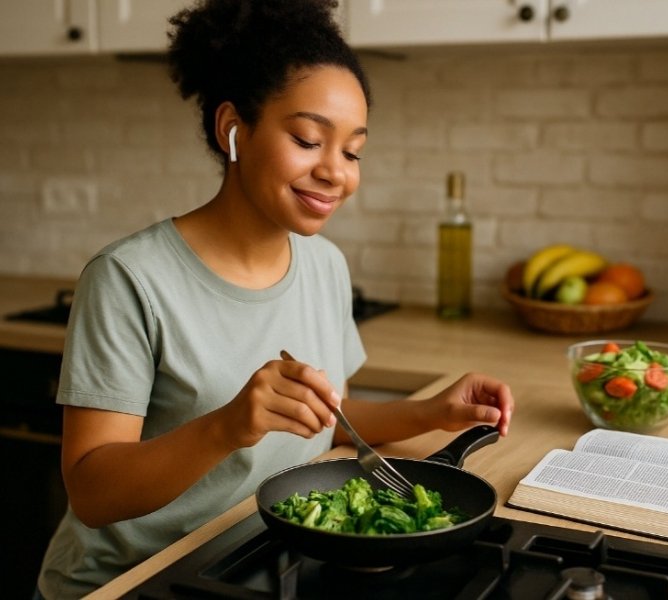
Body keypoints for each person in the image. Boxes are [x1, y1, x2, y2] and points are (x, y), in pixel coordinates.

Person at [34, 1, 514, 597]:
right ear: (233, 128)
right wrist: (227, 426)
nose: (336, 171)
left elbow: (322, 422)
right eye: (309, 139)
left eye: (353, 150)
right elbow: (93, 493)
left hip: (249, 559)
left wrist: (434, 411)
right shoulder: (127, 279)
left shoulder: (325, 265)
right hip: (132, 582)